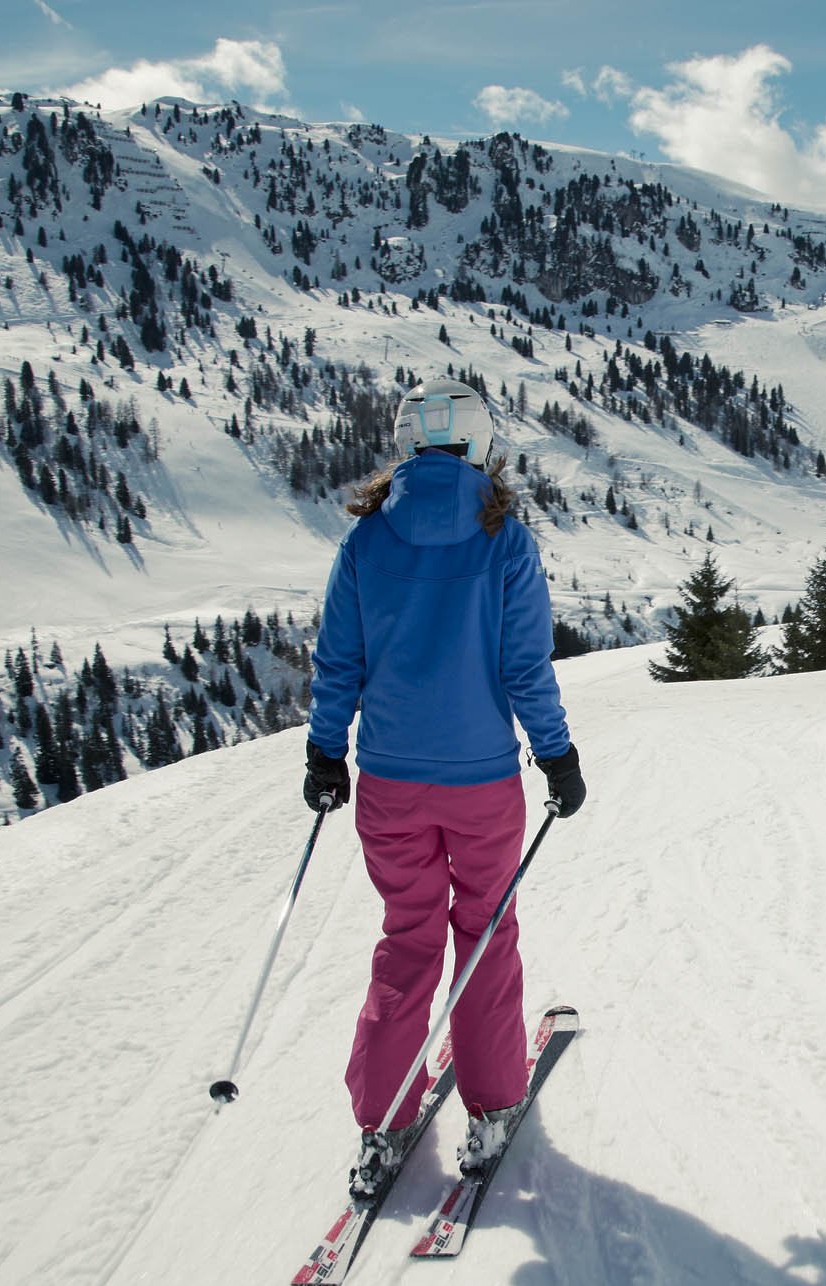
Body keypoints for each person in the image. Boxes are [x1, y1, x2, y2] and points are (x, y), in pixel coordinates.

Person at [304, 377, 586, 1199]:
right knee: (485, 937)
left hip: (390, 783)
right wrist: (557, 757)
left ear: (405, 446)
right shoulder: (505, 542)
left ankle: (382, 1124)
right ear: (480, 447)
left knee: (408, 940)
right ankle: (491, 1105)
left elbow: (338, 665)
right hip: (480, 785)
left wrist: (327, 755)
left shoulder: (366, 543)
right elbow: (524, 669)